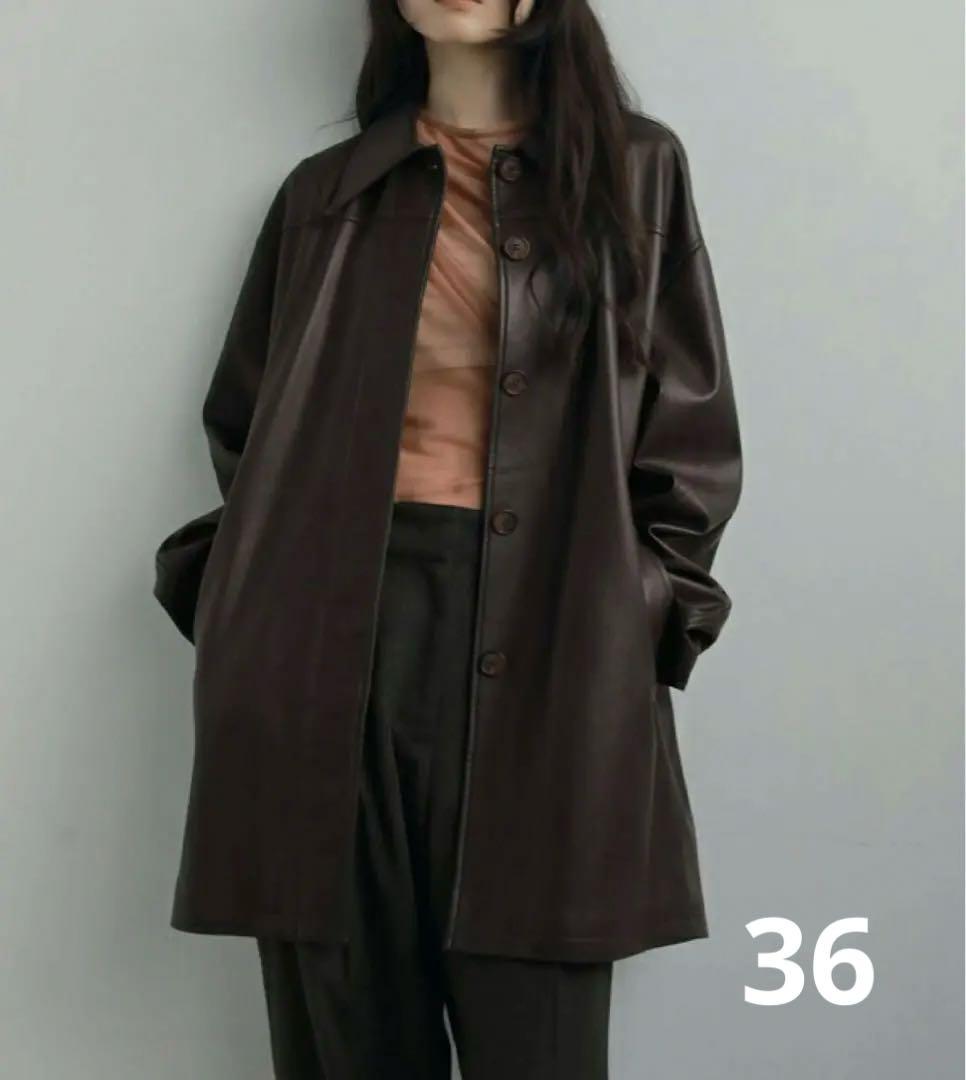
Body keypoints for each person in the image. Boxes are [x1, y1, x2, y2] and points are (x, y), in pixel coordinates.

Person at [152, 0, 744, 1076]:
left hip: (555, 639)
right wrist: (245, 611)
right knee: (348, 1045)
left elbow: (689, 435)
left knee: (542, 1043)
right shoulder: (326, 196)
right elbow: (247, 427)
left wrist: (643, 612)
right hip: (325, 651)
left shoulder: (635, 172)